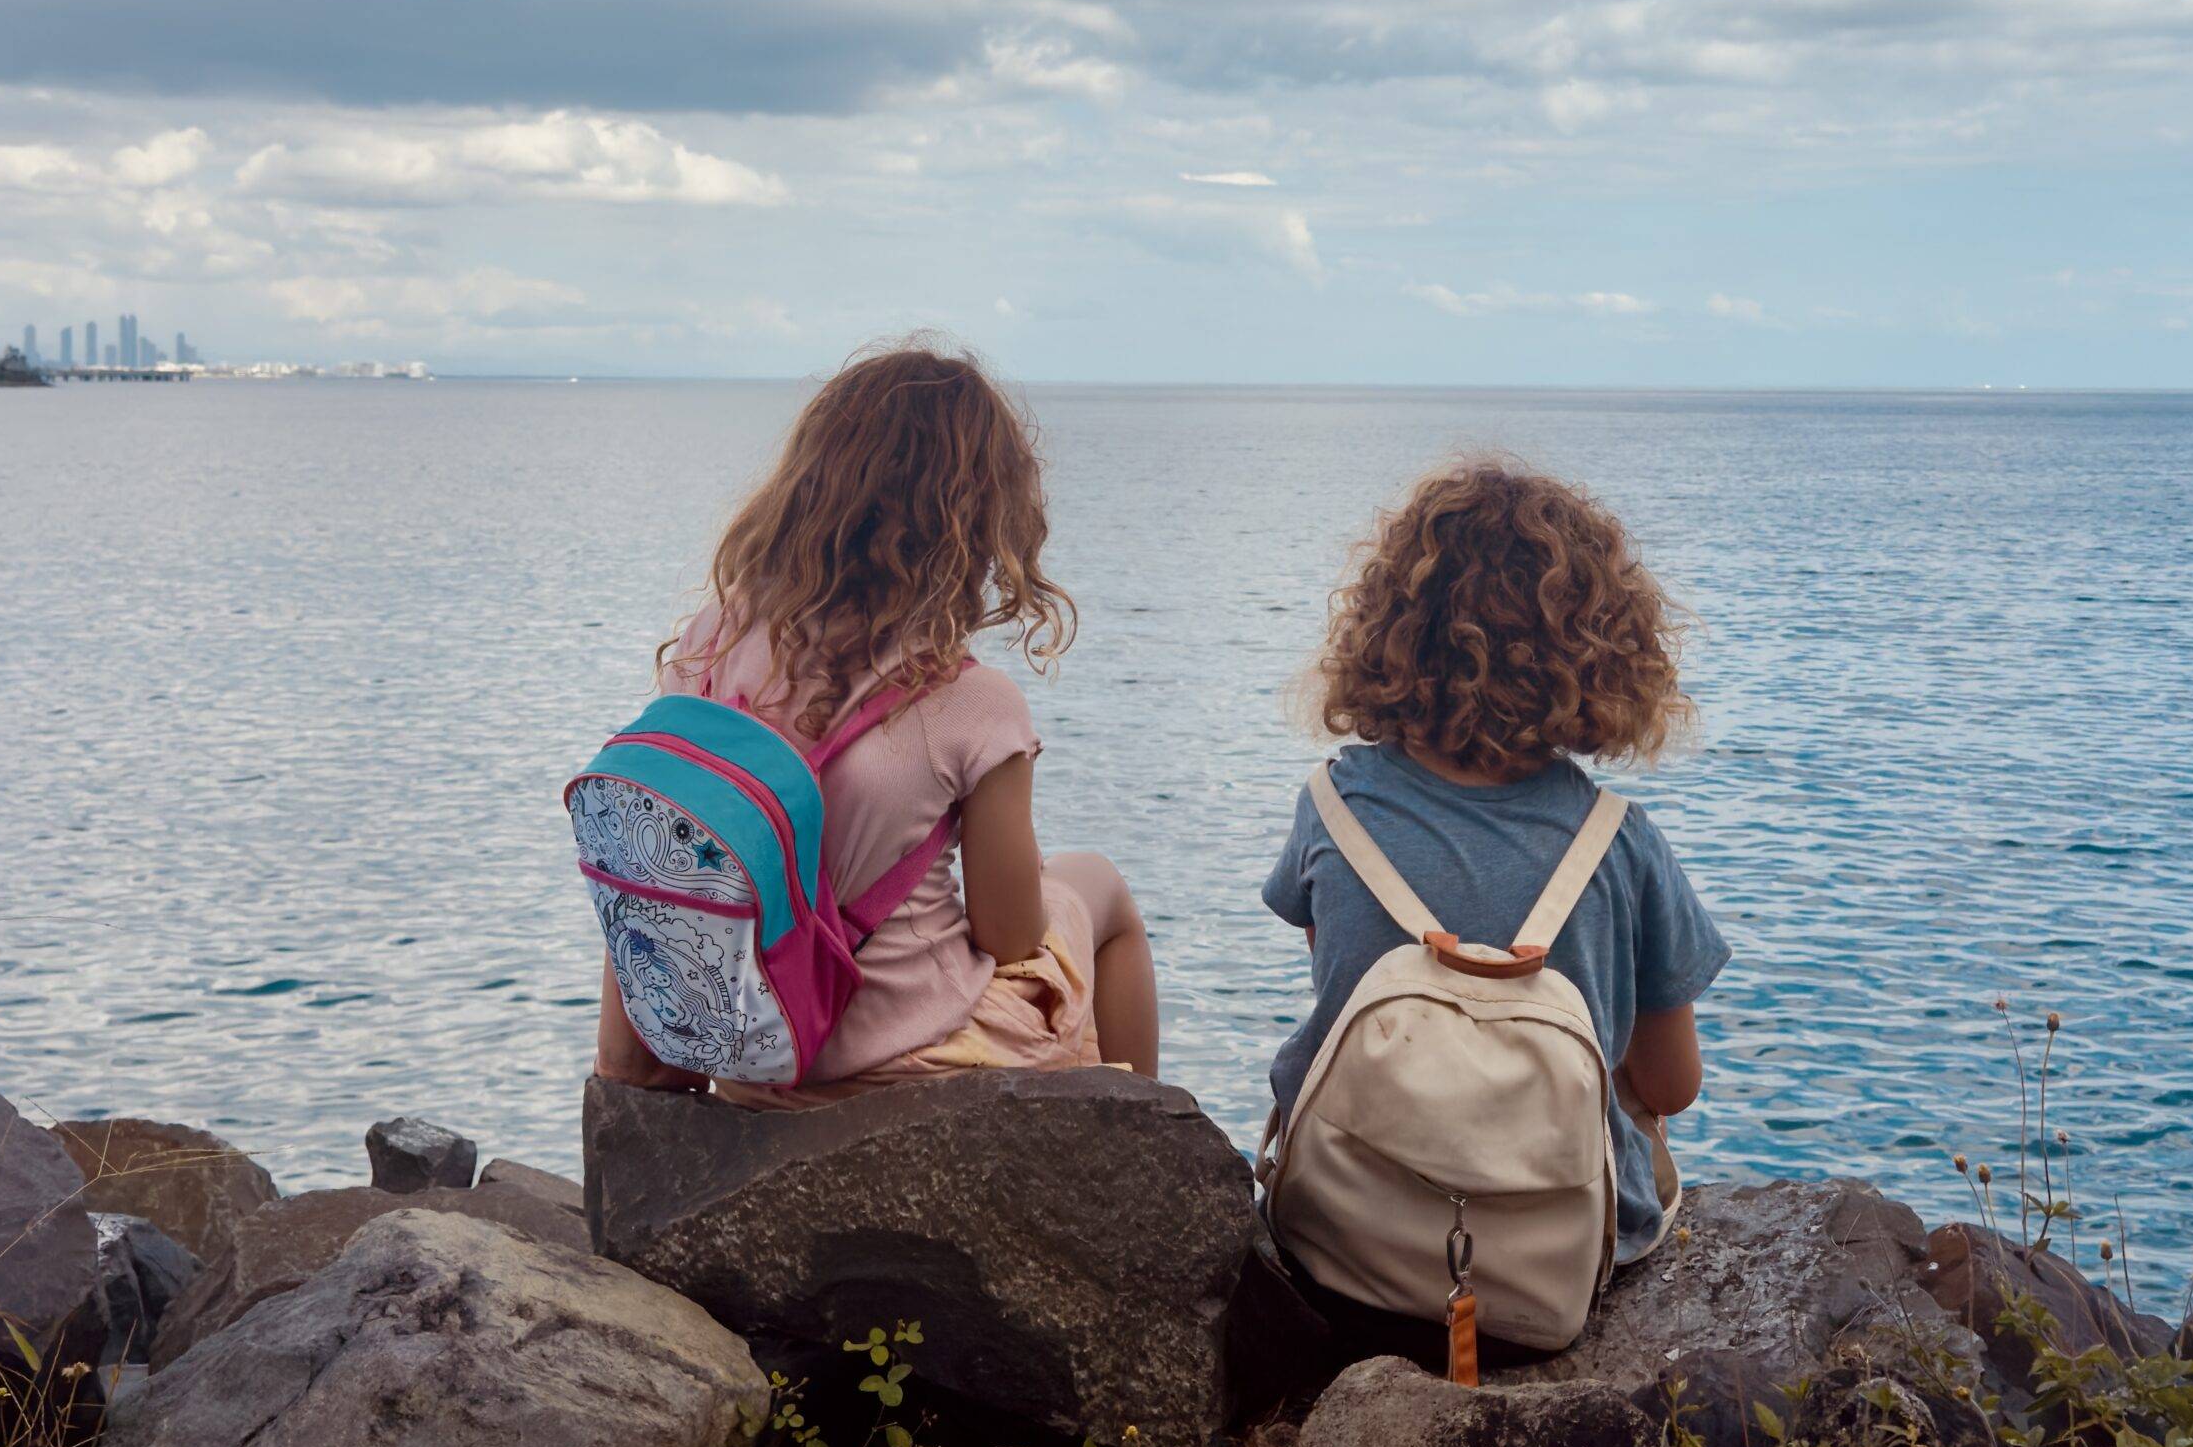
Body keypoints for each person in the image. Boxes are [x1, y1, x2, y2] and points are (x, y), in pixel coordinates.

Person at [595, 339, 1158, 1100]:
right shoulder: (971, 701)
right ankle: (1148, 1137)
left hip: (758, 1048)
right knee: (1099, 889)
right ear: (977, 519)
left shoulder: (709, 643)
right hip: (916, 1055)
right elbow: (1009, 937)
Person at [1262, 457, 1726, 1351]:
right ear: (1598, 650)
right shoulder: (1619, 841)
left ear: (1391, 628)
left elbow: (1339, 972)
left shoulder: (1332, 806)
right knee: (1638, 1100)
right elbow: (1675, 1085)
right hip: (1543, 1284)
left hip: (1337, 1247)